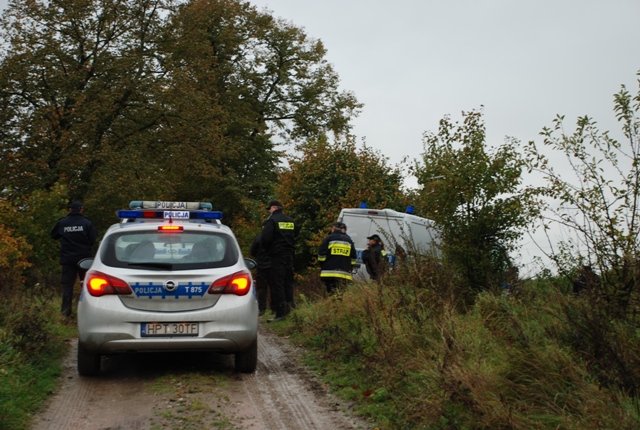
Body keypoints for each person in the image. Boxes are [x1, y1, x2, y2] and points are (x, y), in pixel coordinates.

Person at [51, 201, 97, 317]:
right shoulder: (86, 223)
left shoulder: (62, 223)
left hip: (68, 259)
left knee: (68, 286)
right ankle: (88, 312)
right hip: (84, 259)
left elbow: (54, 235)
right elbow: (92, 240)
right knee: (86, 285)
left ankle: (65, 312)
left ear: (70, 210)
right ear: (81, 210)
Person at [261, 200, 298, 322]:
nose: (269, 212)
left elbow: (265, 238)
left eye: (270, 209)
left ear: (274, 208)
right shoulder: (291, 221)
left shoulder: (271, 221)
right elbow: (296, 233)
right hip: (290, 255)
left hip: (277, 255)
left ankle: (280, 313)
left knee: (278, 283)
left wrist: (268, 250)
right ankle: (290, 309)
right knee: (288, 282)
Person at [317, 222, 356, 294]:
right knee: (340, 293)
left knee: (330, 292)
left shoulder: (329, 238)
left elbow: (321, 255)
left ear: (334, 229)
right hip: (344, 274)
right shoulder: (349, 240)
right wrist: (350, 267)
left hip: (329, 273)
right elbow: (353, 257)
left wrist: (323, 265)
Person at [250, 225, 272, 316]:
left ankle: (262, 309)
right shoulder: (275, 238)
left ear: (263, 228)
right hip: (273, 265)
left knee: (262, 288)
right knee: (274, 287)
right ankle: (275, 308)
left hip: (261, 265)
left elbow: (252, 251)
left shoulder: (258, 238)